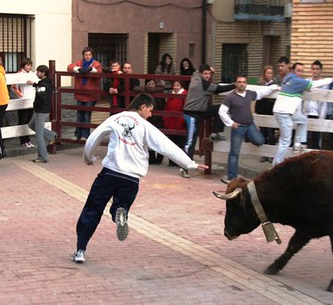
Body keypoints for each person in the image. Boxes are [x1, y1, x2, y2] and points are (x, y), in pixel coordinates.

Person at [71, 93, 209, 263]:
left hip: (110, 172)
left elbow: (94, 137)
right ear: (142, 107)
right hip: (132, 178)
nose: (150, 115)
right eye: (150, 111)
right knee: (121, 205)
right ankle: (119, 214)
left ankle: (80, 250)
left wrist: (88, 158)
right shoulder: (145, 126)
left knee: (92, 209)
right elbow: (166, 146)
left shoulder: (115, 118)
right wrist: (190, 164)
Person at [272, 62, 333, 166]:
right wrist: (332, 78)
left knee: (303, 120)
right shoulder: (297, 80)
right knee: (285, 141)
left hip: (284, 111)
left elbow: (303, 85)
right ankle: (275, 166)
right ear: (293, 71)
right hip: (283, 113)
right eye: (298, 71)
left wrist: (305, 87)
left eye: (302, 71)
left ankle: (297, 144)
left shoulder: (289, 78)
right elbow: (315, 84)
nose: (300, 73)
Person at [219, 76, 279, 184]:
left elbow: (261, 93)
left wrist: (273, 87)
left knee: (260, 141)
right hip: (238, 127)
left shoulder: (249, 94)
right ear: (236, 84)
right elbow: (221, 111)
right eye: (239, 82)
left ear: (246, 83)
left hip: (250, 125)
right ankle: (232, 178)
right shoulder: (230, 97)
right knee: (234, 152)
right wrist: (231, 123)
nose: (242, 84)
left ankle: (247, 136)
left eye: (244, 82)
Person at [180, 64, 235, 178]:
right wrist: (234, 85)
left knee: (221, 109)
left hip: (201, 111)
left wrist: (210, 69)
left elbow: (195, 71)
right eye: (205, 74)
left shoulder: (195, 75)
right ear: (201, 73)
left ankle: (215, 132)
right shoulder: (202, 84)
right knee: (190, 142)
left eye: (209, 74)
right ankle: (184, 167)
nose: (207, 76)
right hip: (191, 114)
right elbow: (219, 89)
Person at [67, 47, 102, 141]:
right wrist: (79, 69)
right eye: (86, 54)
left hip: (90, 94)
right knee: (79, 115)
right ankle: (77, 134)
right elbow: (69, 67)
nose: (87, 56)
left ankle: (85, 136)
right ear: (83, 55)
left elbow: (99, 73)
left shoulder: (96, 64)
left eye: (89, 55)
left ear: (92, 55)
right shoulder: (79, 62)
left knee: (86, 115)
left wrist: (92, 70)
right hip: (80, 93)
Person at [26, 65, 57, 163]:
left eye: (38, 72)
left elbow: (42, 96)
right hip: (41, 110)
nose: (37, 73)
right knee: (31, 125)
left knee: (39, 135)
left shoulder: (43, 85)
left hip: (41, 110)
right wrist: (34, 84)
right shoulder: (46, 82)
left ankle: (43, 157)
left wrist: (36, 104)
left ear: (43, 73)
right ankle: (51, 135)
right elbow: (42, 89)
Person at [254, 65, 277, 162]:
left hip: (270, 110)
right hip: (262, 109)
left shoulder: (275, 84)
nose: (270, 75)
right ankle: (264, 154)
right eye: (268, 73)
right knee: (262, 132)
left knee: (271, 133)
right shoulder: (260, 84)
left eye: (271, 73)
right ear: (264, 74)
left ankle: (271, 154)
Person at [304, 60, 328, 150]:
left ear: (320, 70)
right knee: (304, 139)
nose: (315, 71)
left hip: (317, 114)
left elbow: (325, 102)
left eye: (317, 69)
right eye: (313, 69)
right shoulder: (306, 82)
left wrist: (322, 117)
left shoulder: (324, 83)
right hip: (306, 114)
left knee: (316, 139)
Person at [163, 80, 187, 166]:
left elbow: (185, 108)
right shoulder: (171, 95)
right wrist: (165, 119)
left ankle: (180, 162)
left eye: (177, 85)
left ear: (181, 86)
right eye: (174, 85)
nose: (175, 87)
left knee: (181, 143)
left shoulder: (184, 95)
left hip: (180, 123)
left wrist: (183, 121)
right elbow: (167, 107)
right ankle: (172, 162)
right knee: (171, 143)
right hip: (171, 123)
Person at [12, 58, 34, 148]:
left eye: (30, 65)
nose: (29, 67)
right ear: (23, 65)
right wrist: (20, 95)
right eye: (27, 65)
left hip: (31, 100)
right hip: (23, 100)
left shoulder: (32, 74)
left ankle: (28, 139)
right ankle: (23, 140)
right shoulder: (19, 74)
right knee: (22, 120)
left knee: (29, 120)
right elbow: (14, 87)